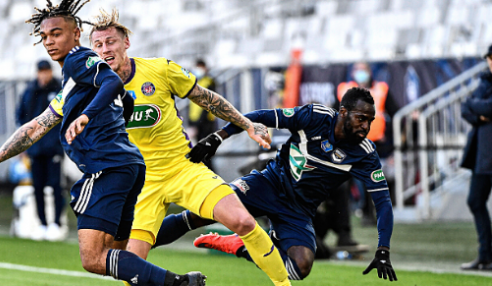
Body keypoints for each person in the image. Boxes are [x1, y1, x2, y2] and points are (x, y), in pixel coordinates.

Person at [0, 1, 206, 285]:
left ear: (76, 33)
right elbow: (36, 127)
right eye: (45, 36)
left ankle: (180, 283)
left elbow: (113, 83)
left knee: (92, 258)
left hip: (107, 168)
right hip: (128, 166)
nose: (49, 41)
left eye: (56, 33)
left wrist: (85, 116)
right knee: (117, 254)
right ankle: (186, 230)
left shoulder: (77, 59)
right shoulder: (76, 80)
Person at [88, 9, 291, 286]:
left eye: (110, 42)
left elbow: (205, 98)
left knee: (243, 222)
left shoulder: (159, 69)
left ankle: (283, 284)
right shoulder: (89, 89)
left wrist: (247, 124)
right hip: (139, 185)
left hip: (182, 169)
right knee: (130, 270)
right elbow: (54, 125)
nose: (104, 49)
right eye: (97, 45)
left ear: (126, 43)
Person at [154, 87, 398, 282]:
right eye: (361, 118)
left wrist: (383, 249)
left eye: (370, 120)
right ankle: (135, 243)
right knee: (197, 217)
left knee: (300, 268)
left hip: (298, 211)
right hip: (267, 184)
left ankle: (239, 246)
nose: (366, 126)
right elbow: (260, 116)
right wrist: (218, 137)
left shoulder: (365, 154)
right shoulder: (316, 117)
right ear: (343, 112)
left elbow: (383, 203)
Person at [338, 62, 399, 226]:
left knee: (372, 179)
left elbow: (395, 113)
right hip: (350, 142)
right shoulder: (345, 90)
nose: (360, 73)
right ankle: (347, 215)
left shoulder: (381, 89)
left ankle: (372, 213)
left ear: (370, 72)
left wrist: (391, 140)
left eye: (363, 70)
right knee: (346, 178)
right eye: (357, 70)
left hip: (374, 143)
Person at [16, 59, 66, 241]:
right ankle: (43, 224)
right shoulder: (29, 92)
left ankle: (56, 224)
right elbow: (21, 118)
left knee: (55, 186)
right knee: (37, 187)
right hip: (35, 149)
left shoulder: (60, 89)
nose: (44, 75)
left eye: (46, 71)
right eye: (41, 72)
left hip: (54, 147)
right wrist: (22, 144)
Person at [460, 44, 492, 271]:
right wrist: (480, 112)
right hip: (484, 154)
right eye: (490, 58)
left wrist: (477, 106)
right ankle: (485, 255)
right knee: (475, 200)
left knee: (476, 200)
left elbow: (486, 106)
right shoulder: (485, 82)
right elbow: (465, 107)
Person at [187, 59, 218, 170]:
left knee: (206, 151)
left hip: (206, 122)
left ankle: (212, 176)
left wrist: (198, 124)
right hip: (195, 121)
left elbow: (208, 104)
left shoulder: (210, 81)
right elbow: (192, 105)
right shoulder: (194, 82)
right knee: (199, 151)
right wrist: (192, 123)